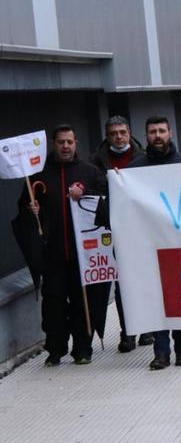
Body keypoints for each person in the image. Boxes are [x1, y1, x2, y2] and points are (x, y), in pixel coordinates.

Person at [21, 125, 108, 366]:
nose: (66, 146)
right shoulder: (38, 174)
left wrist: (86, 192)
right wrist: (31, 211)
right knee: (54, 305)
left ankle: (82, 348)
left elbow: (104, 201)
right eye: (61, 142)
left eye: (70, 141)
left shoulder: (89, 172)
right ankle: (55, 349)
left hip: (83, 255)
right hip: (52, 255)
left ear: (76, 143)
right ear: (53, 143)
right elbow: (24, 208)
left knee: (83, 303)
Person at [129, 117, 181, 370]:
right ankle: (160, 352)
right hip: (150, 247)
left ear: (170, 133)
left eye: (161, 131)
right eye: (152, 132)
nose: (157, 135)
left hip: (179, 246)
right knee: (156, 299)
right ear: (146, 135)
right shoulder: (134, 170)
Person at [89, 116, 152, 352]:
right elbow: (90, 190)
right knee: (122, 284)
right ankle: (128, 333)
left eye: (122, 132)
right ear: (107, 136)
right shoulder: (95, 161)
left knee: (144, 280)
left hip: (142, 229)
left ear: (129, 133)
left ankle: (148, 328)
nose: (118, 137)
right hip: (111, 230)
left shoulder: (144, 157)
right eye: (113, 133)